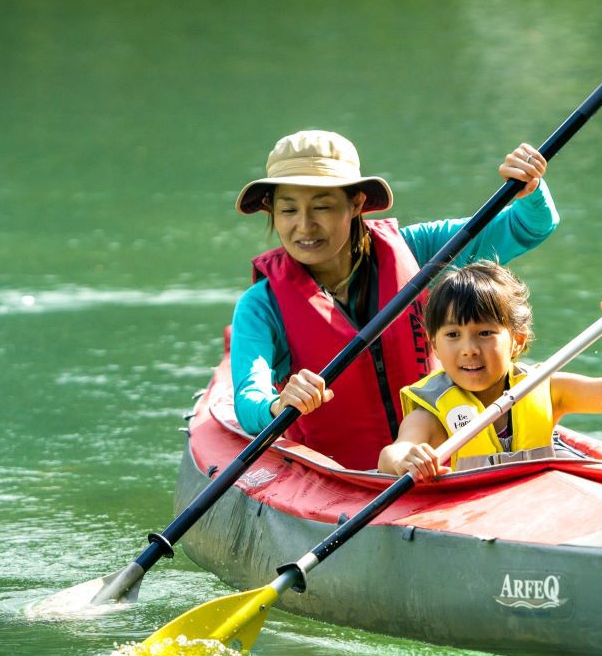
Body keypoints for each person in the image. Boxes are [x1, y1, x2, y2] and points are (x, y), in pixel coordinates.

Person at [229, 130, 557, 470]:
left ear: (355, 203)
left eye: (322, 207)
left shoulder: (418, 250)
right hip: (338, 479)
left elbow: (531, 226)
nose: (304, 225)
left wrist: (530, 189)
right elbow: (248, 399)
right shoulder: (261, 305)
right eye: (288, 210)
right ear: (271, 210)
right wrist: (278, 405)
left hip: (438, 462)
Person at [377, 261, 602, 481]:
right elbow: (393, 453)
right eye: (453, 335)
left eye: (485, 333)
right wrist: (407, 460)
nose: (469, 349)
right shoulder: (429, 416)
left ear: (517, 341)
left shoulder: (548, 388)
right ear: (435, 347)